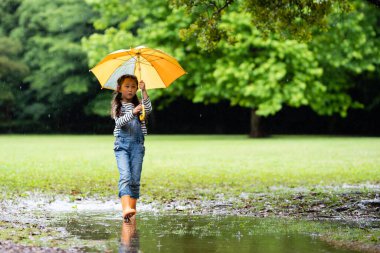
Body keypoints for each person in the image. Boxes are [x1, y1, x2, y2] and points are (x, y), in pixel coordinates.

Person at [111, 74, 152, 220]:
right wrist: (132, 112)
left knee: (135, 179)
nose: (130, 89)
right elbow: (119, 122)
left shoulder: (139, 104)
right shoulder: (118, 105)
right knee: (125, 176)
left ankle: (131, 210)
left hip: (137, 145)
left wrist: (144, 90)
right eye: (127, 86)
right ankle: (125, 207)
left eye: (133, 86)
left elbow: (149, 109)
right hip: (122, 145)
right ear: (119, 88)